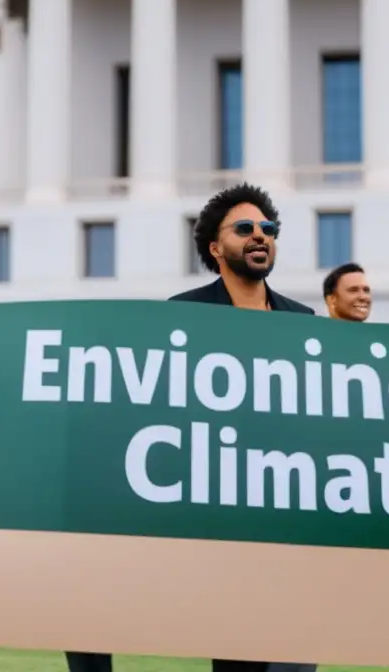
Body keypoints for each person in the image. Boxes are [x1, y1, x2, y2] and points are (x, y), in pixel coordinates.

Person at [65, 183, 316, 672]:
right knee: (237, 653)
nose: (260, 236)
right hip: (207, 515)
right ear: (215, 247)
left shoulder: (303, 321)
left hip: (281, 512)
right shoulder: (183, 315)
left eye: (269, 229)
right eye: (245, 229)